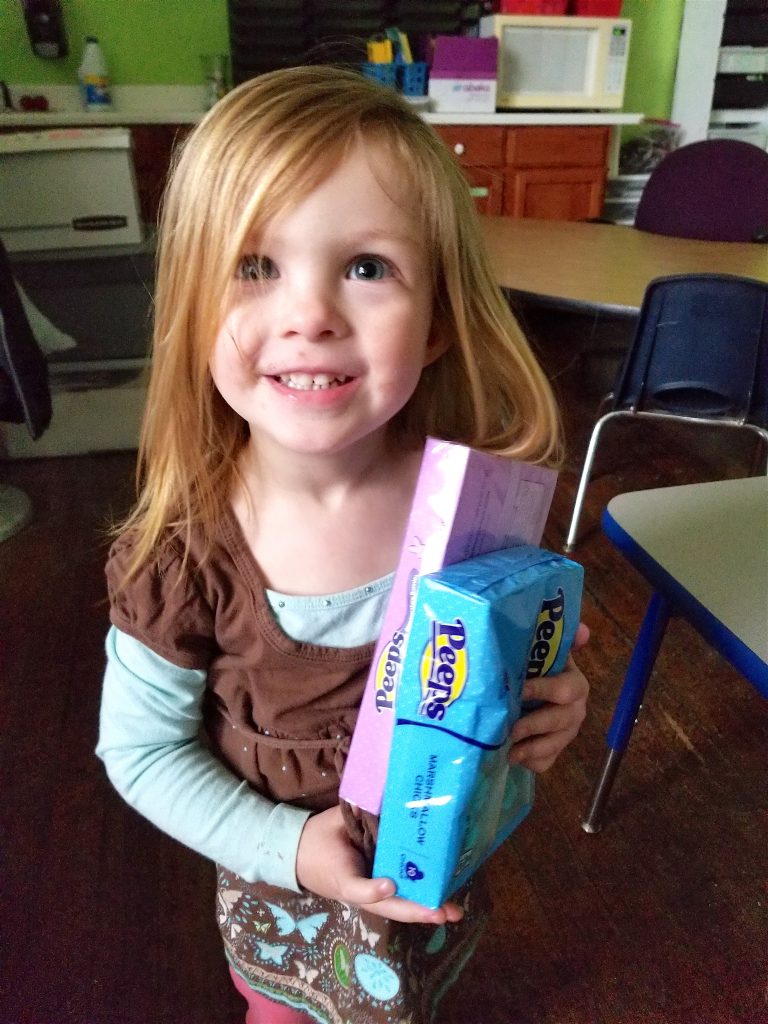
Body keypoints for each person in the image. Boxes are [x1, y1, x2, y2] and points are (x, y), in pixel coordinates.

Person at [97, 65, 589, 1024]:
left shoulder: (473, 509)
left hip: (432, 893)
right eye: (254, 265)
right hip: (282, 904)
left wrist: (551, 705)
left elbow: (514, 666)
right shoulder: (186, 550)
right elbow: (140, 752)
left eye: (367, 267)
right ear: (193, 303)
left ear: (440, 319)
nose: (310, 313)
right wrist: (288, 851)